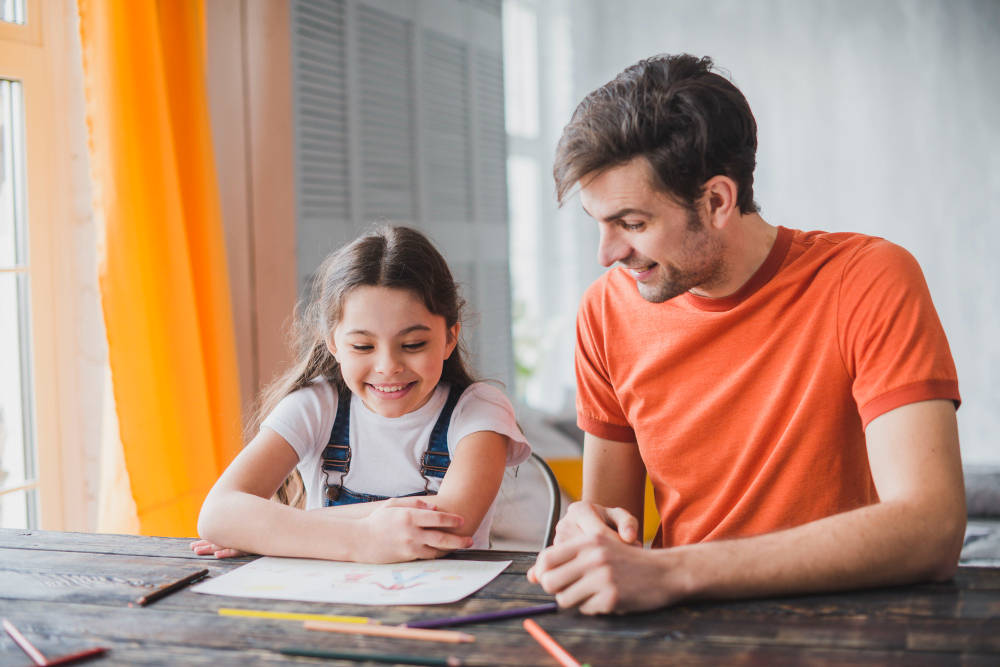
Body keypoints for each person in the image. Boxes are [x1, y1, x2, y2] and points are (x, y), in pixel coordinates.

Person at [527, 54, 966, 614]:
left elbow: (932, 529)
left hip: (847, 625)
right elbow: (613, 526)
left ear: (716, 202)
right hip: (676, 633)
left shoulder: (868, 278)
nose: (607, 254)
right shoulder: (605, 311)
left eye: (633, 224)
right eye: (600, 223)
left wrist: (672, 571)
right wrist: (587, 532)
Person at [193, 224, 531, 563]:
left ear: (449, 337)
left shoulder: (480, 410)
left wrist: (270, 530)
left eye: (413, 344)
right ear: (334, 344)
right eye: (362, 345)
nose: (388, 366)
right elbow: (217, 515)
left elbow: (450, 527)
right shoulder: (316, 406)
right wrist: (362, 537)